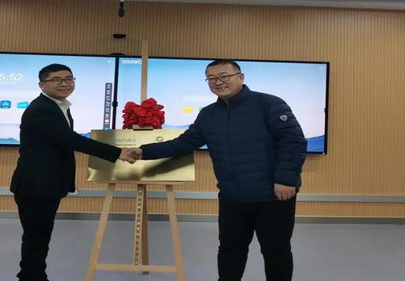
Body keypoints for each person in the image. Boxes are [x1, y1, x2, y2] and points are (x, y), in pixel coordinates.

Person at [129, 59, 307, 281]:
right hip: (232, 196)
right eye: (212, 78)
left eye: (224, 76)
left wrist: (286, 179)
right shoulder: (208, 114)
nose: (218, 82)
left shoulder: (269, 104)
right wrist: (143, 151)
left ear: (240, 77)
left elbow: (293, 142)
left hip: (273, 195)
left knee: (276, 251)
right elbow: (183, 143)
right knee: (230, 249)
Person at [10, 63, 137, 281]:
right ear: (42, 85)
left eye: (68, 79)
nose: (64, 84)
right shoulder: (41, 109)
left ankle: (33, 275)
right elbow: (70, 139)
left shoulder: (58, 106)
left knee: (39, 236)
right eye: (56, 80)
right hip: (36, 184)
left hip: (46, 182)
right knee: (36, 238)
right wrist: (118, 153)